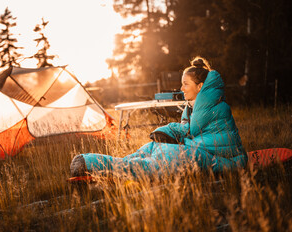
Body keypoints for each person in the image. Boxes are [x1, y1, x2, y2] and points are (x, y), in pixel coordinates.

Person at [70, 57, 248, 177]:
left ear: (200, 86)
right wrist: (167, 135)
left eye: (186, 84)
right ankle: (96, 164)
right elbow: (189, 132)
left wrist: (168, 130)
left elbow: (190, 129)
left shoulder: (214, 106)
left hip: (224, 158)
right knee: (151, 147)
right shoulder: (192, 107)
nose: (182, 88)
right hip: (200, 150)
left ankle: (92, 163)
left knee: (162, 158)